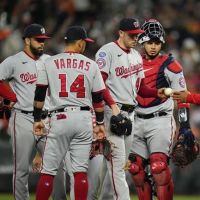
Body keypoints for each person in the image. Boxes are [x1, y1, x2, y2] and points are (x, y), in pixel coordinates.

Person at [94, 18, 167, 200]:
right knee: (119, 165)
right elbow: (99, 84)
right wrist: (112, 106)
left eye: (138, 35)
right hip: (114, 112)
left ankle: (99, 197)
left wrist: (156, 93)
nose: (135, 38)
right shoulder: (107, 51)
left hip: (130, 114)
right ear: (120, 33)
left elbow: (140, 88)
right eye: (132, 35)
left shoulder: (135, 55)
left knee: (117, 163)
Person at [33, 25, 106, 200]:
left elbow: (40, 95)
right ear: (80, 43)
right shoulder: (91, 65)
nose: (85, 45)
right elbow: (98, 100)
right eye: (85, 42)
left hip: (59, 117)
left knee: (48, 172)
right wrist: (101, 124)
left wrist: (37, 119)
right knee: (80, 171)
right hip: (83, 119)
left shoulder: (49, 62)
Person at [0, 23, 66, 200]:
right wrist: (10, 97)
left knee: (59, 165)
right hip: (22, 118)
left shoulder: (50, 61)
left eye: (43, 40)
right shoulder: (13, 61)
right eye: (38, 40)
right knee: (21, 170)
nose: (42, 43)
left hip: (46, 119)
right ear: (27, 40)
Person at [126, 19, 191, 200]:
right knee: (135, 168)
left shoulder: (171, 64)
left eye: (156, 43)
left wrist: (184, 126)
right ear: (142, 43)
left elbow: (183, 98)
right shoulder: (131, 62)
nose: (153, 47)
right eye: (149, 42)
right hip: (136, 119)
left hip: (160, 120)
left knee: (158, 166)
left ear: (161, 43)